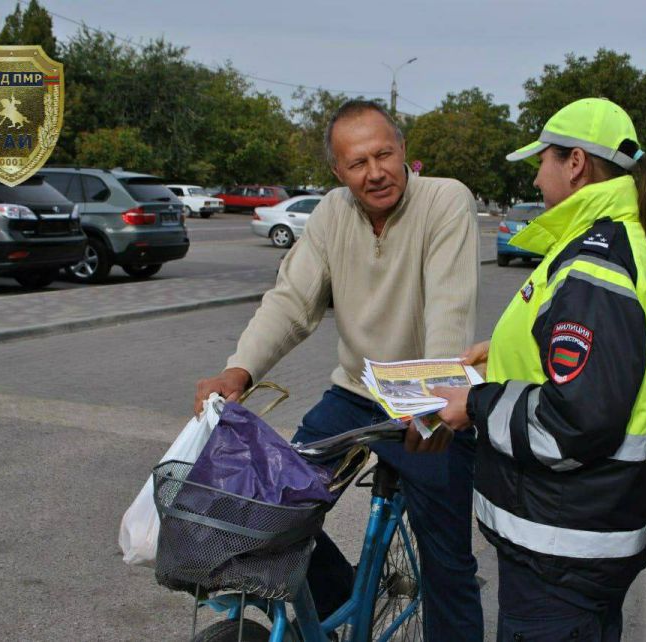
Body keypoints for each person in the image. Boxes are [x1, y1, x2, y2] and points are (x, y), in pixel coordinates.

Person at [195, 100, 484, 641]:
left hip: (431, 397)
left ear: (404, 153)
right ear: (338, 171)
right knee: (277, 510)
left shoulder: (446, 200)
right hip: (355, 392)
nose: (375, 172)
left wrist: (435, 412)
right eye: (357, 163)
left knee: (447, 562)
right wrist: (239, 371)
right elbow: (291, 302)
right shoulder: (331, 212)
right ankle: (336, 609)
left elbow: (451, 307)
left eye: (384, 154)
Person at [429, 98, 646, 641]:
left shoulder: (593, 262)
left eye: (542, 160)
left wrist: (475, 404)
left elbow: (574, 421)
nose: (536, 177)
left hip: (564, 546)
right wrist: (506, 349)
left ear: (576, 163)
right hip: (580, 535)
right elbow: (587, 358)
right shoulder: (606, 243)